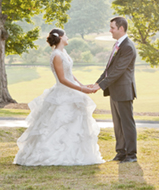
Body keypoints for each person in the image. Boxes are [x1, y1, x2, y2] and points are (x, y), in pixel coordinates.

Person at [13, 28, 104, 166]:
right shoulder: (56, 55)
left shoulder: (63, 52)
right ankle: (53, 154)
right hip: (62, 93)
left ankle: (76, 153)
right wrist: (81, 89)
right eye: (66, 35)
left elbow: (70, 74)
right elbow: (62, 79)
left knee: (76, 123)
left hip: (72, 91)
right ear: (60, 37)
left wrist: (83, 85)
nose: (68, 37)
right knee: (58, 124)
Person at [89, 16, 138, 163]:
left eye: (112, 28)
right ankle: (121, 152)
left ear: (121, 28)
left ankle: (131, 155)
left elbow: (118, 71)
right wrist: (96, 83)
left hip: (124, 91)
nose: (110, 30)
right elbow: (109, 69)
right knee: (117, 124)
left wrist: (101, 85)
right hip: (115, 91)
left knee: (127, 124)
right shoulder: (117, 45)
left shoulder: (128, 47)